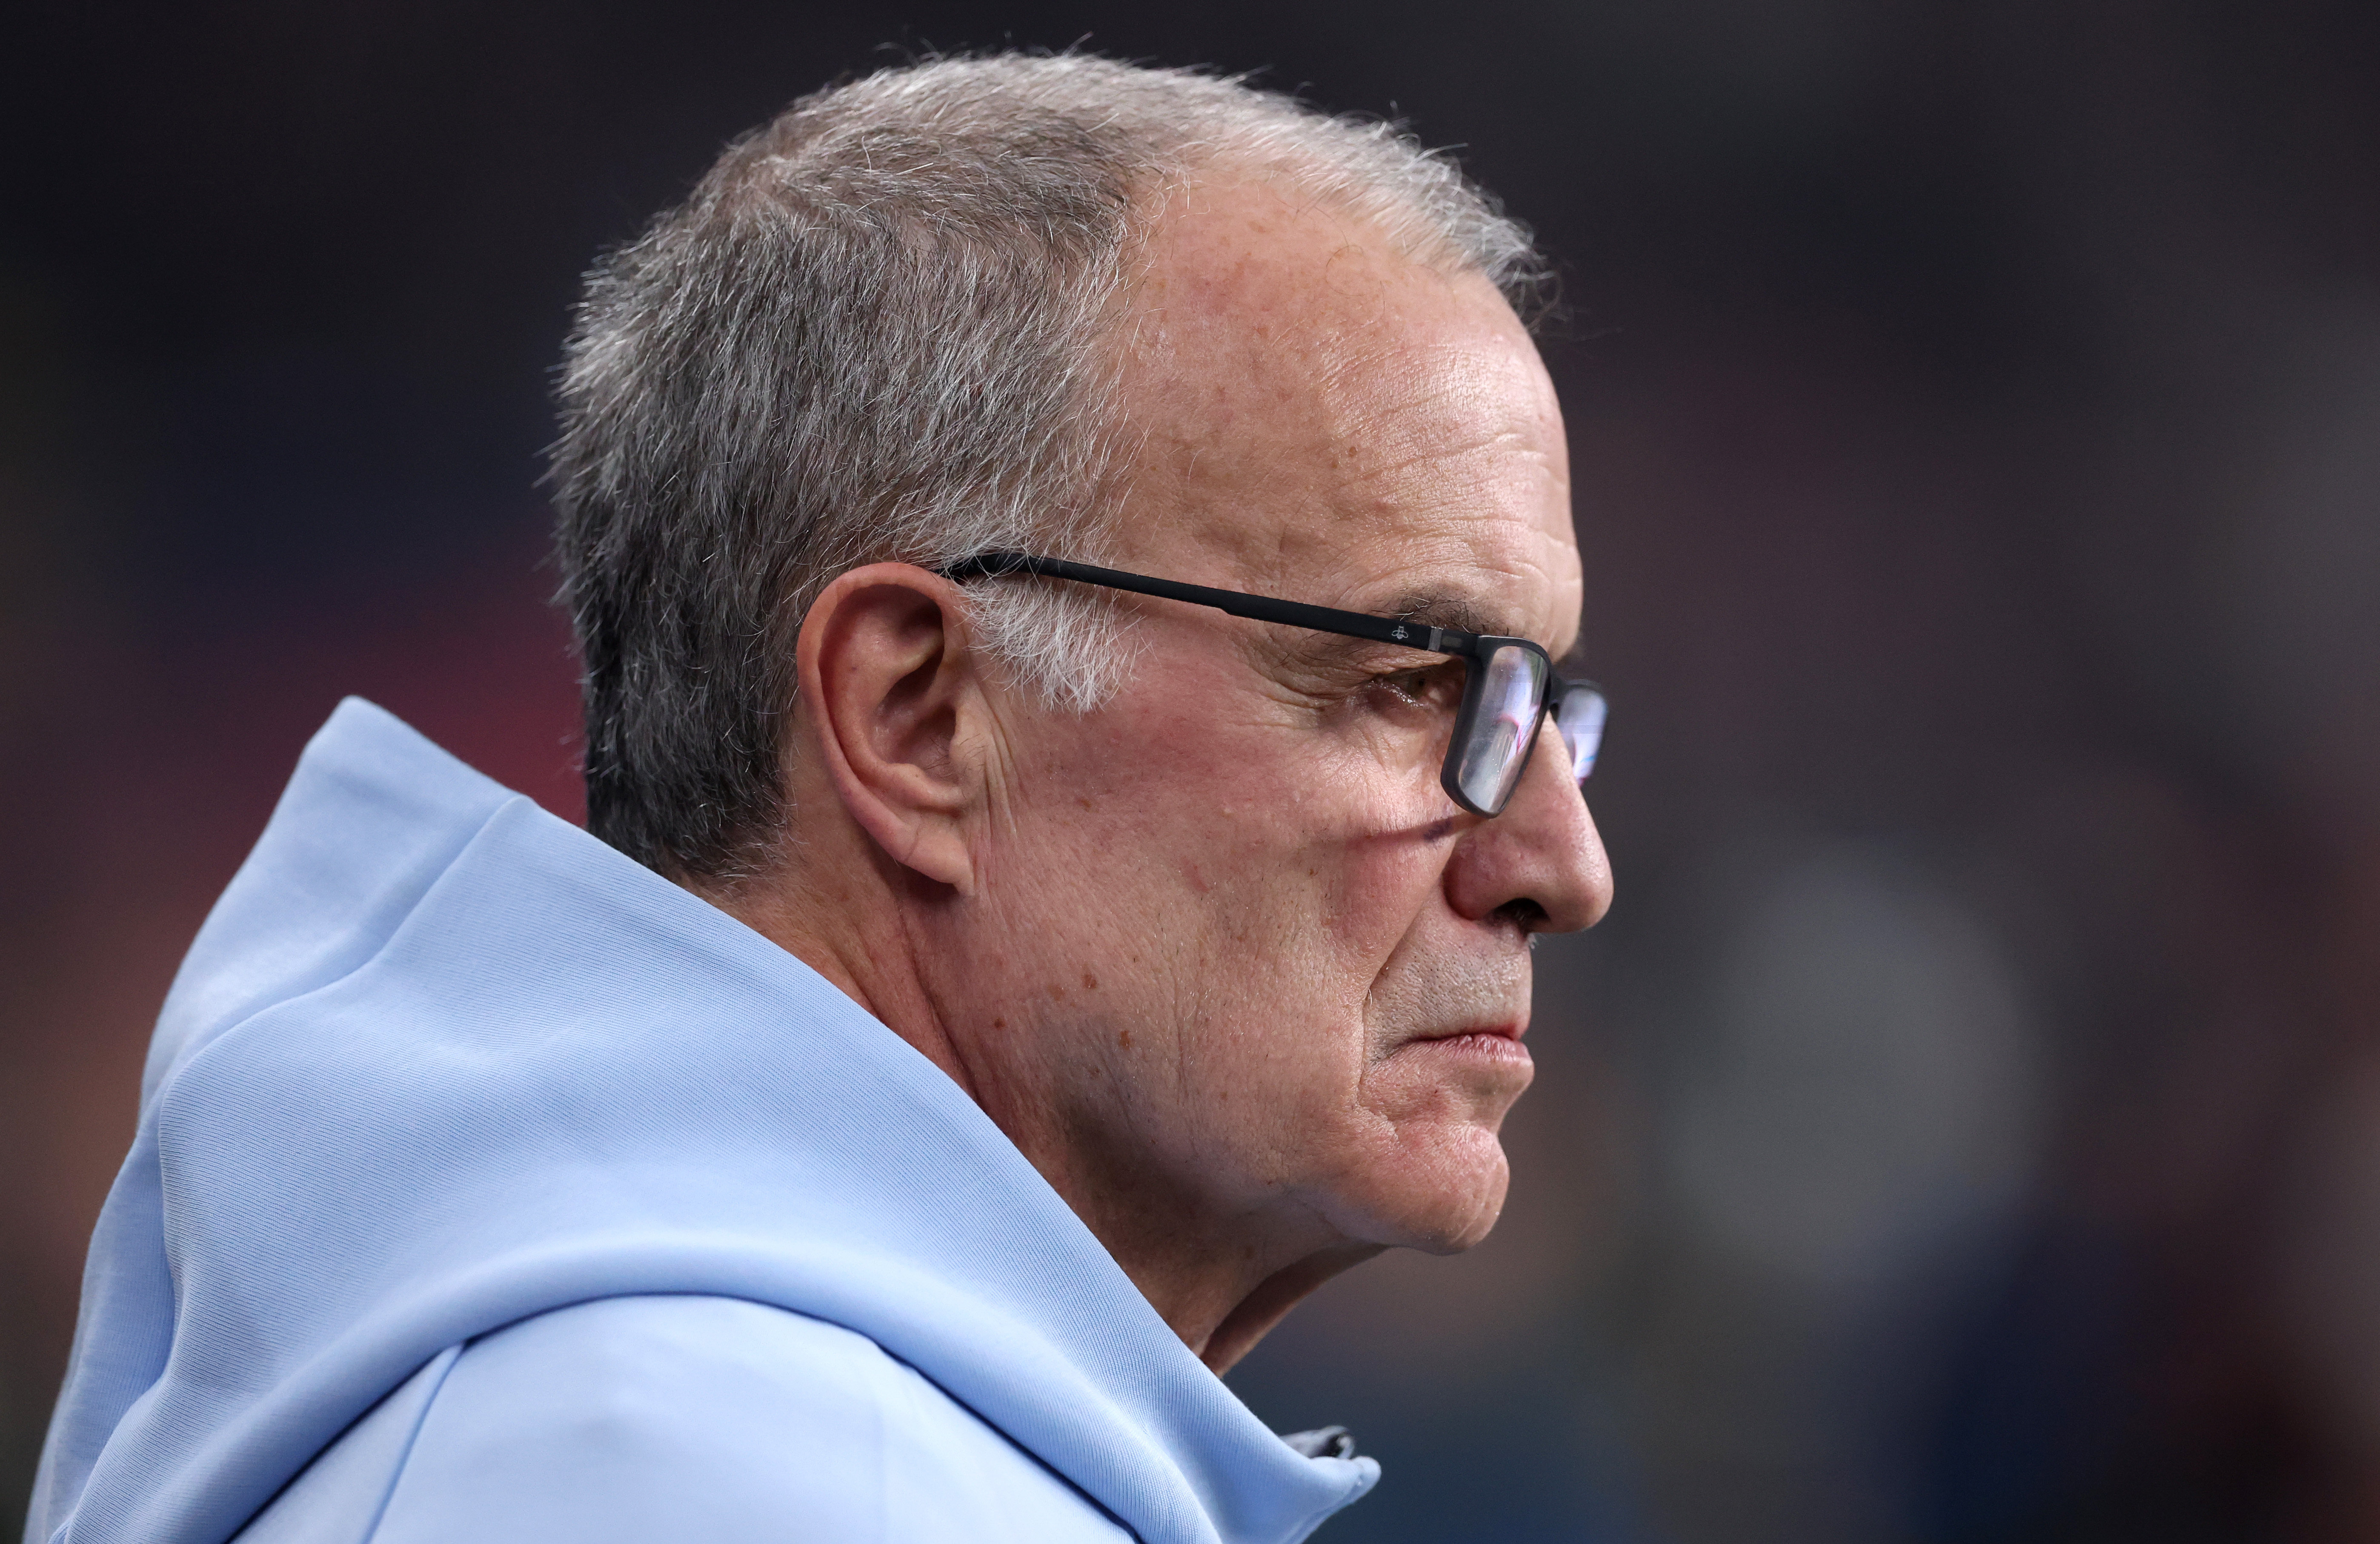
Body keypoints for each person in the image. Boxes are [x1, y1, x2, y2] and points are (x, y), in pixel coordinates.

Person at [28, 52, 1612, 1544]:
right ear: (916, 713)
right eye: (1416, 684)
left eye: (1544, 703)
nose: (1564, 862)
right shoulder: (737, 1479)